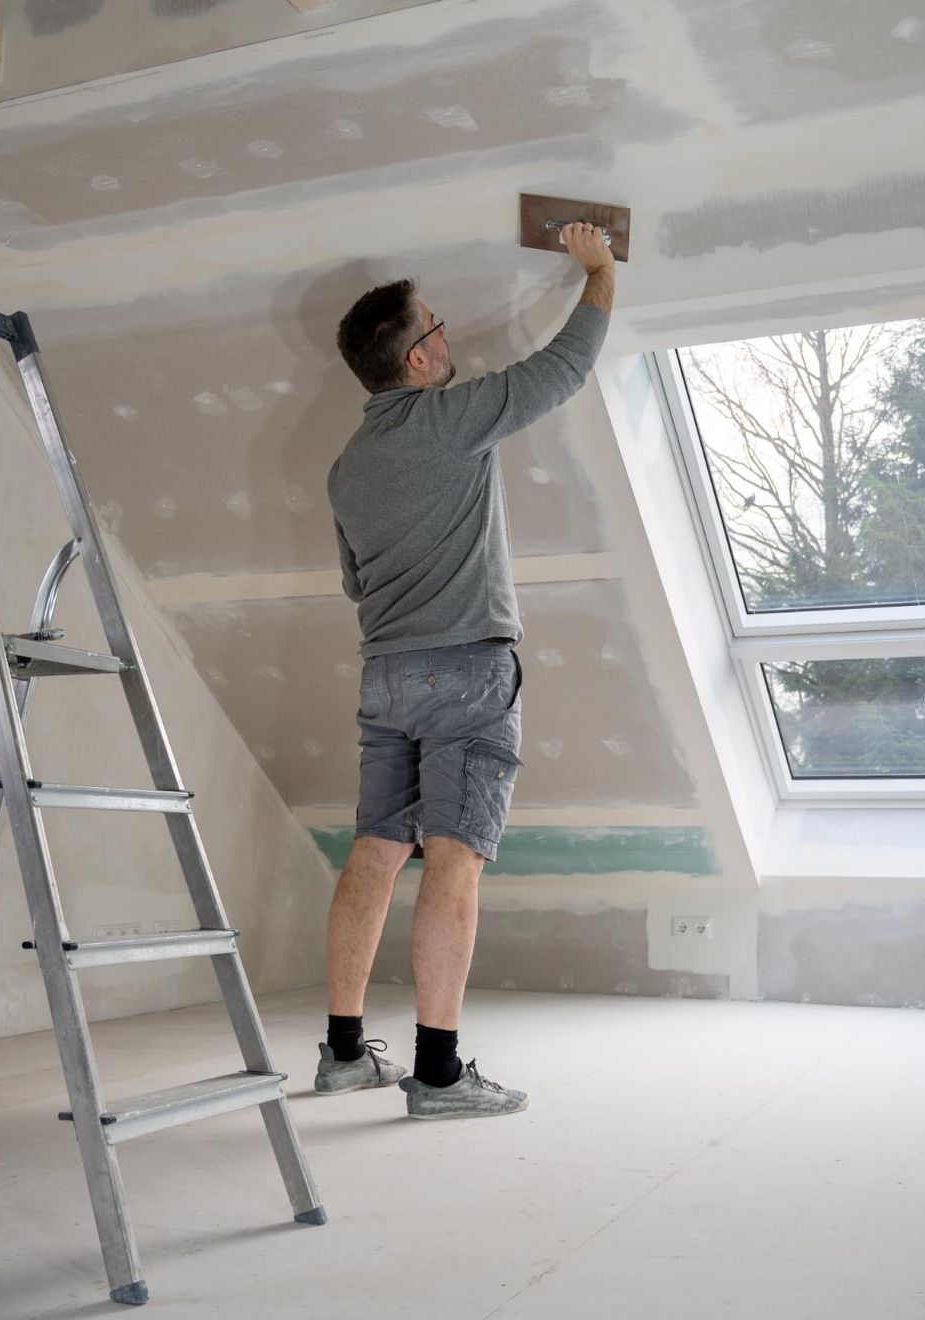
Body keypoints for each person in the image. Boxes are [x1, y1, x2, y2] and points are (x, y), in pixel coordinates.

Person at [317, 222, 616, 1119]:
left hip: (385, 677)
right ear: (414, 358)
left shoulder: (346, 468)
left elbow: (353, 580)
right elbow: (563, 369)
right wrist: (598, 271)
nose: (448, 337)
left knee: (375, 851)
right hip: (465, 672)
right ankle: (439, 1075)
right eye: (434, 327)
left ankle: (341, 1054)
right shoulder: (449, 421)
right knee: (455, 859)